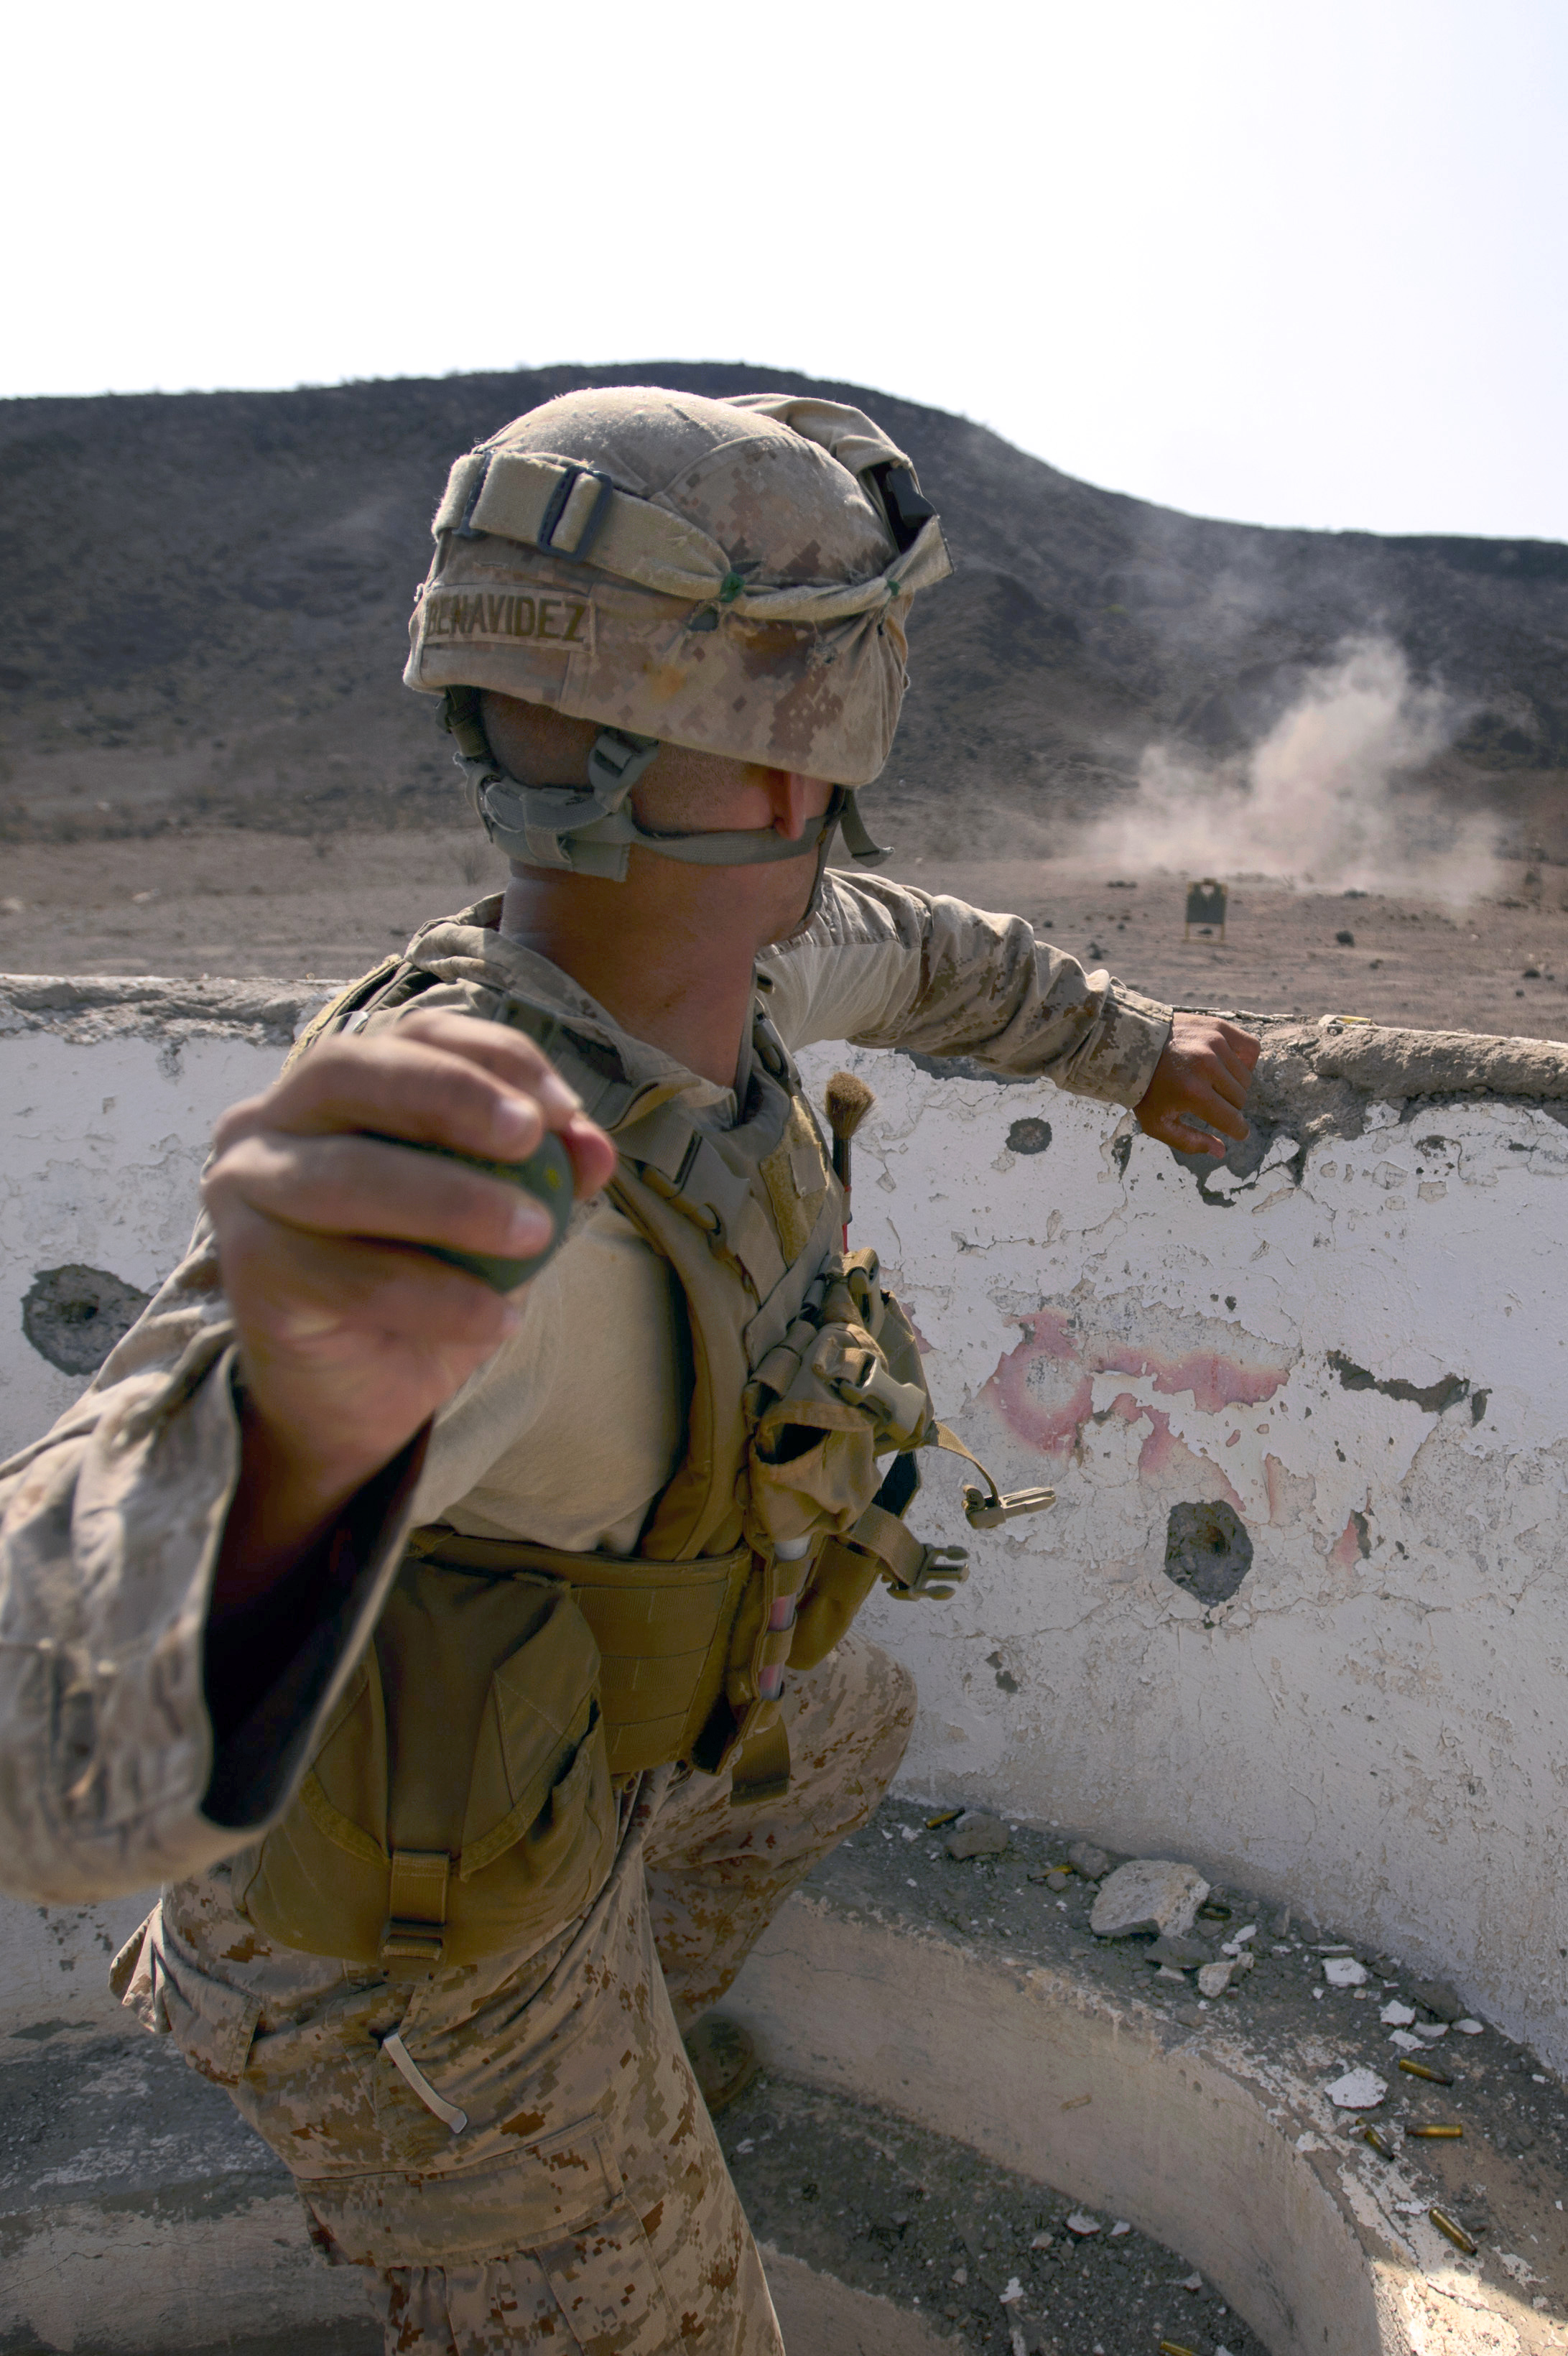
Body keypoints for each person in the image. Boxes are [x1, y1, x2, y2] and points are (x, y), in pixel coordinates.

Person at [0, 386, 1258, 2353]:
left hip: (568, 1764)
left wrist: (1134, 1048)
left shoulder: (732, 973)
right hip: (414, 1975)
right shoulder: (491, 1200)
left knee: (840, 1727)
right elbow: (50, 1722)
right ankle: (545, 2174)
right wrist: (292, 1441)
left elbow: (923, 952)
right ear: (796, 764)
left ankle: (636, 2029)